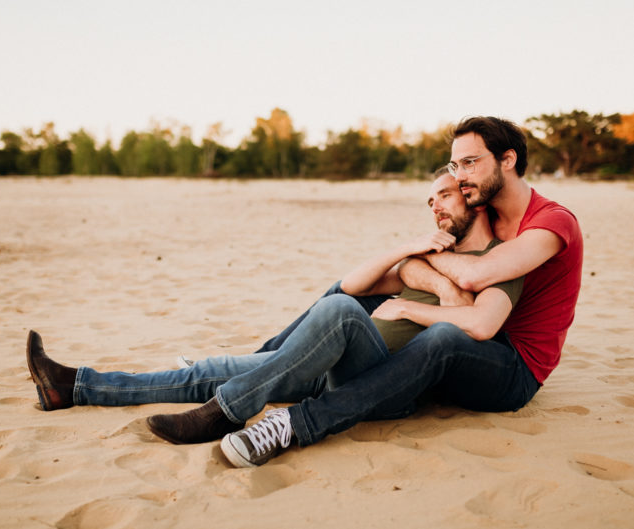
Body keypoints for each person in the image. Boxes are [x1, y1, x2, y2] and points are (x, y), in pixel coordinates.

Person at [26, 172, 521, 444]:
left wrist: (417, 309)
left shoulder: (499, 262)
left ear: (473, 198)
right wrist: (411, 253)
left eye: (444, 196)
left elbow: (482, 324)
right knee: (211, 369)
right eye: (428, 200)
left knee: (340, 312)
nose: (434, 206)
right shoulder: (432, 252)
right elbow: (351, 281)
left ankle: (228, 412)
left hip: (384, 386)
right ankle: (74, 386)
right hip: (333, 364)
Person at [211, 116, 583, 468]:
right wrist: (416, 258)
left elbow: (475, 277)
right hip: (478, 334)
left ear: (508, 160)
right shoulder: (487, 214)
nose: (461, 176)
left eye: (470, 163)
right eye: (455, 166)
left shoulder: (550, 223)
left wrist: (416, 281)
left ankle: (294, 425)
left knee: (442, 336)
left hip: (513, 365)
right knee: (350, 295)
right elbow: (422, 267)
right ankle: (266, 359)